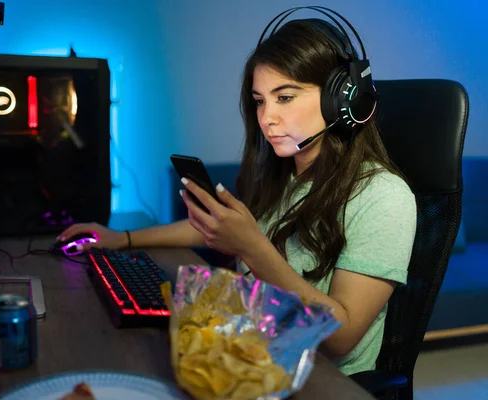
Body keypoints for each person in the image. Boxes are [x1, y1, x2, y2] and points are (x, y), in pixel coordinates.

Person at [57, 9, 417, 376]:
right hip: (255, 350)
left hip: (318, 379)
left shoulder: (385, 197)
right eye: (260, 101)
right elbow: (221, 226)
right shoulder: (288, 174)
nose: (266, 118)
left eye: (285, 97)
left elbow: (341, 337)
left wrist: (252, 248)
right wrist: (123, 238)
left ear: (343, 101)